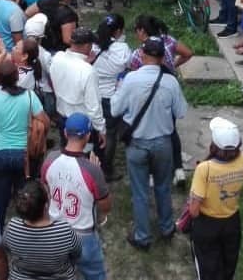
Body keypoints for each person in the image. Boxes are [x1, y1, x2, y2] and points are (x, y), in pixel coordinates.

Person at [111, 36, 188, 249]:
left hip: (136, 144)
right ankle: (166, 227)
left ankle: (143, 236)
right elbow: (181, 112)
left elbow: (115, 109)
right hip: (163, 143)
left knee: (140, 191)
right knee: (163, 187)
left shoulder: (130, 80)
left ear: (142, 55)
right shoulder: (170, 81)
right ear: (163, 58)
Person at [41, 113, 111, 280]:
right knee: (95, 274)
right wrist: (98, 173)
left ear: (65, 133)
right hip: (83, 235)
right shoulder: (92, 170)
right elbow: (106, 207)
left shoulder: (50, 159)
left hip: (55, 230)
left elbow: (46, 190)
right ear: (87, 136)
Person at [0, 59, 47, 228]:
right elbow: (45, 122)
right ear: (17, 77)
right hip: (23, 156)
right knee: (26, 197)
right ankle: (27, 230)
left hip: (0, 154)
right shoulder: (30, 96)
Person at [188, 117, 243, 280]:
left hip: (208, 224)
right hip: (232, 222)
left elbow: (194, 211)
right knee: (228, 265)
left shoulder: (204, 169)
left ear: (214, 144)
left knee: (207, 269)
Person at [2, 180, 81, 280]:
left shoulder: (12, 227)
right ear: (45, 206)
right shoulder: (64, 231)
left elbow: (7, 248)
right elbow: (77, 253)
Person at [50, 28, 106, 148]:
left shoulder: (56, 58)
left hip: (63, 118)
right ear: (86, 46)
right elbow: (93, 106)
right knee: (85, 159)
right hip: (82, 125)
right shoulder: (88, 71)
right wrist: (101, 129)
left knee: (67, 152)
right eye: (91, 45)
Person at [93, 14, 131, 181]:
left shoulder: (92, 44)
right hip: (110, 97)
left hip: (92, 95)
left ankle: (92, 161)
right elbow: (128, 66)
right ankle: (106, 169)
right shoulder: (122, 50)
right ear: (118, 31)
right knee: (110, 134)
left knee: (95, 130)